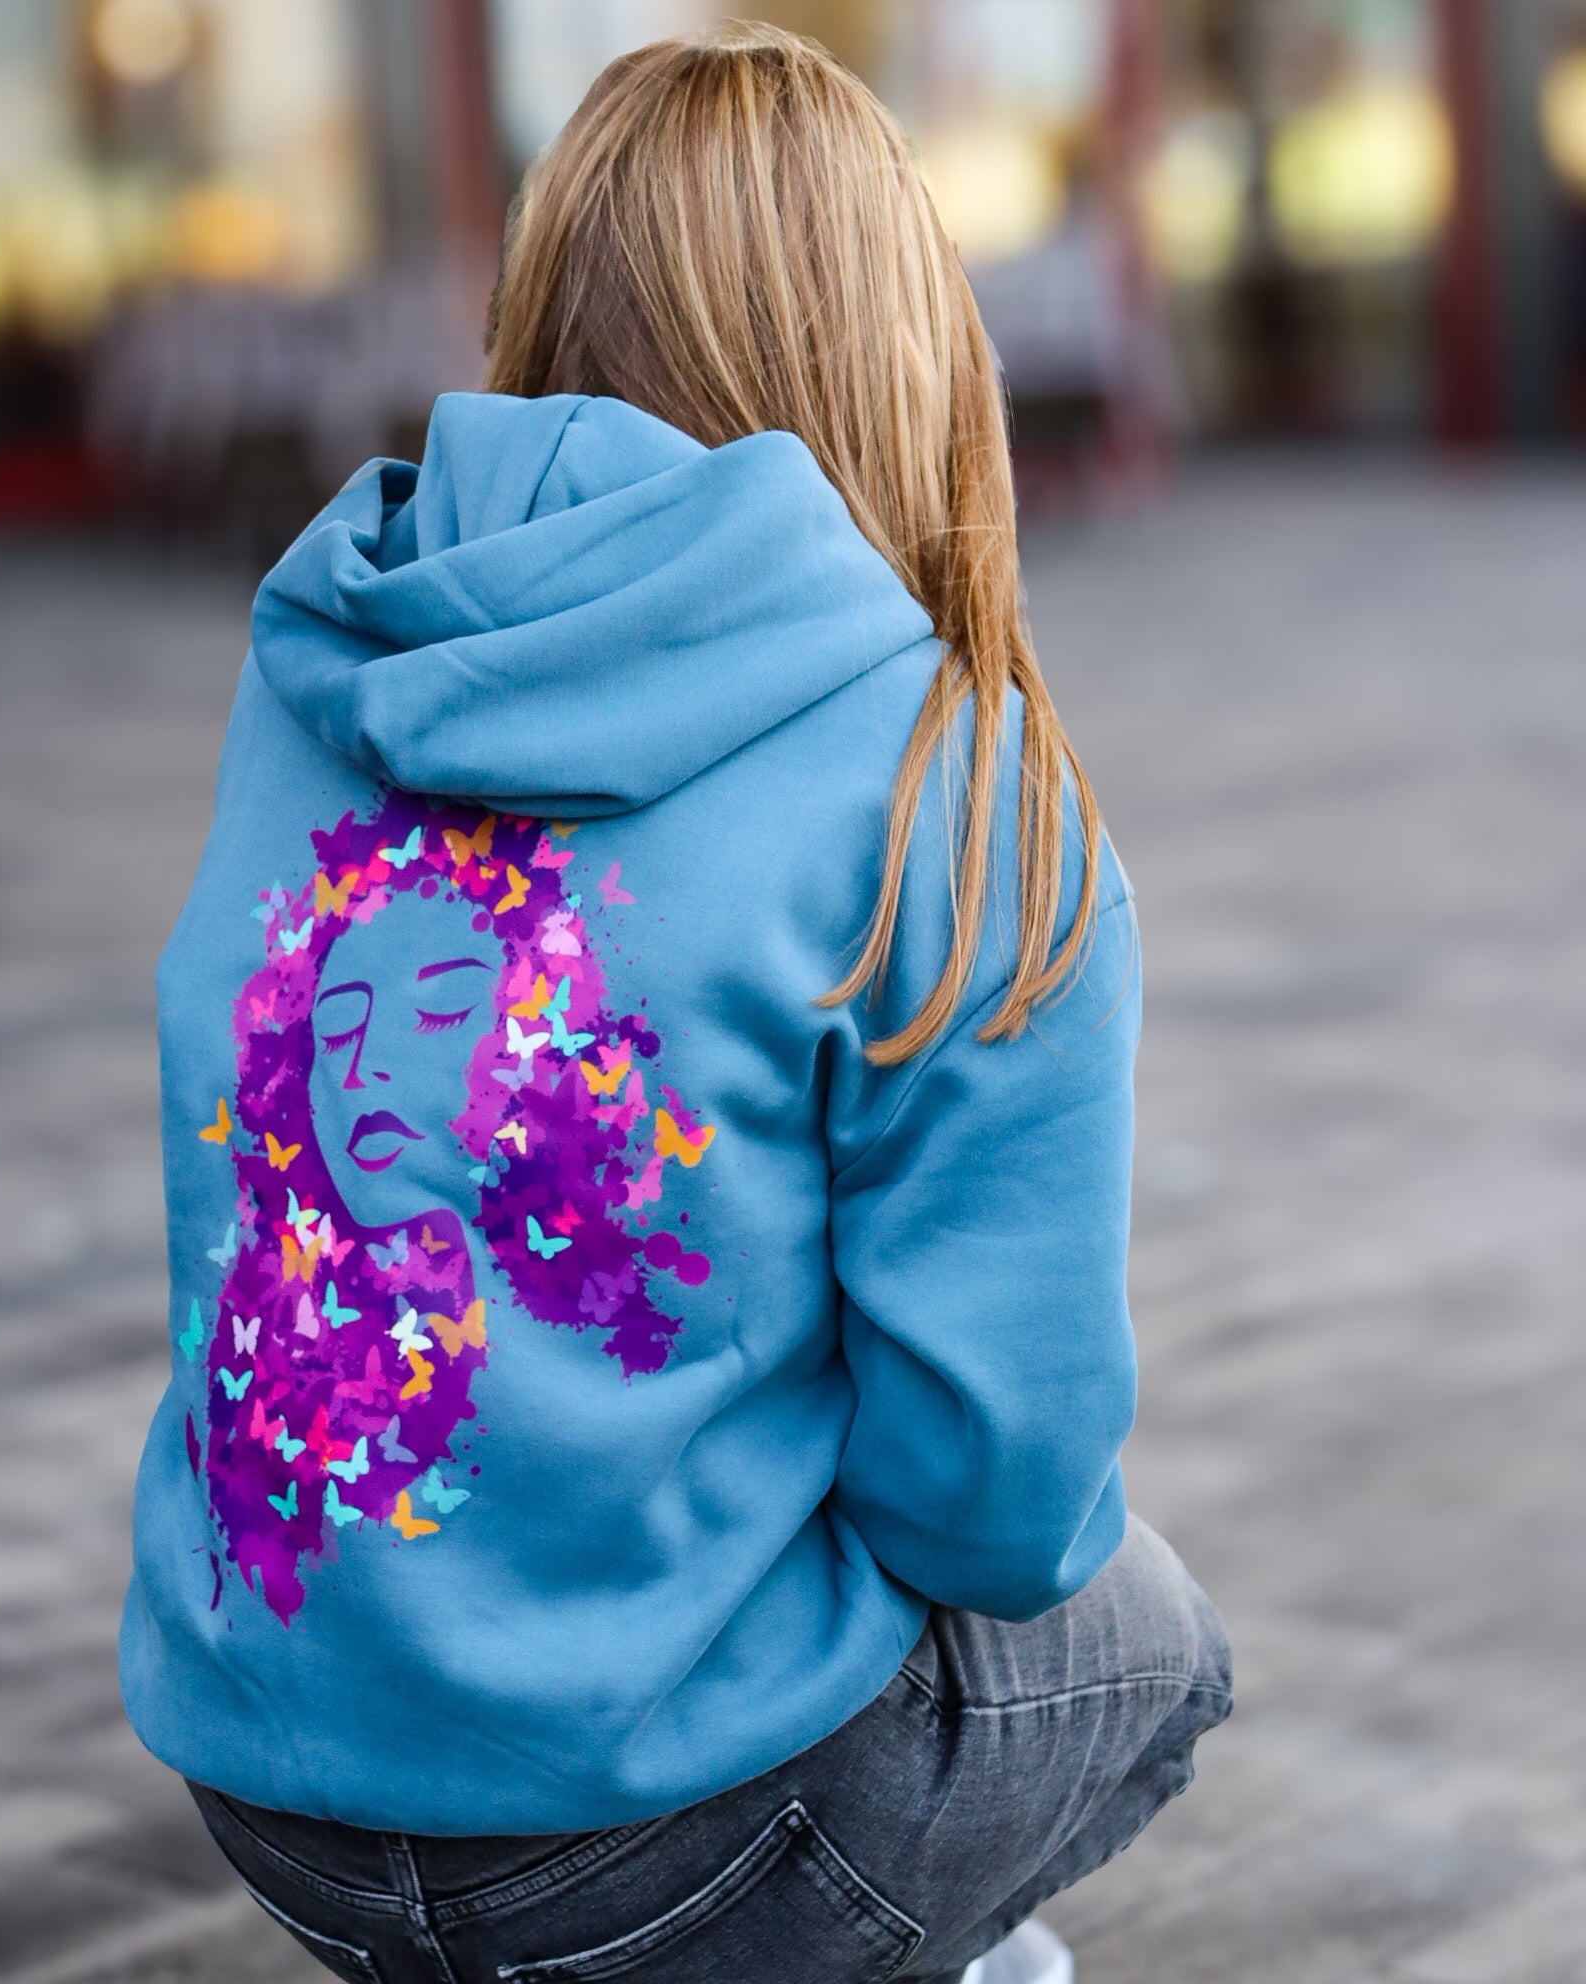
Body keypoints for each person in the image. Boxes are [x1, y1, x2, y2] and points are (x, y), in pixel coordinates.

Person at [120, 24, 1230, 1984]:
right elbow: (992, 1497)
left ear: (538, 294)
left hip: (269, 1781)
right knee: (1145, 1627)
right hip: (651, 1841)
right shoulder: (941, 767)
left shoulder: (324, 653)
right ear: (895, 331)